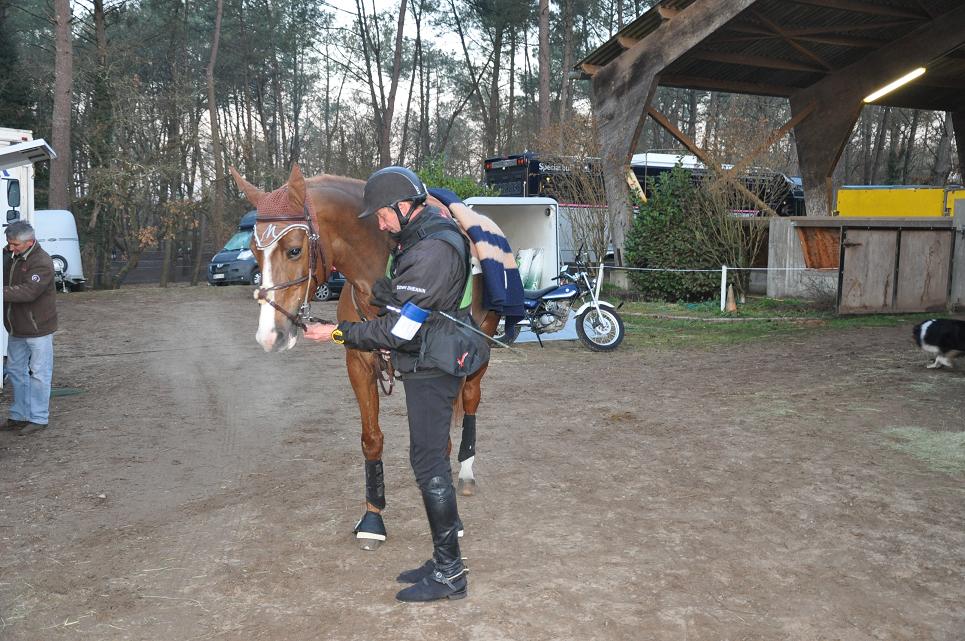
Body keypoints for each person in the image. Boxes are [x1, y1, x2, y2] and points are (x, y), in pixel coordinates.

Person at [304, 167, 488, 602]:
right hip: (428, 357)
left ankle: (449, 574)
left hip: (433, 366)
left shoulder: (432, 251)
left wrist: (335, 333)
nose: (380, 223)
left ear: (404, 207)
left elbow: (400, 331)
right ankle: (445, 558)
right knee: (427, 462)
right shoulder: (418, 239)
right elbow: (396, 293)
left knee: (428, 464)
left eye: (383, 215)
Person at [1, 221, 58, 435]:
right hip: (16, 327)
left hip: (38, 329)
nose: (10, 247)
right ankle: (19, 415)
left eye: (15, 244)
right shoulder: (11, 255)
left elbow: (29, 292)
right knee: (16, 371)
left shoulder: (42, 262)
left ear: (30, 242)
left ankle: (39, 418)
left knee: (40, 373)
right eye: (9, 243)